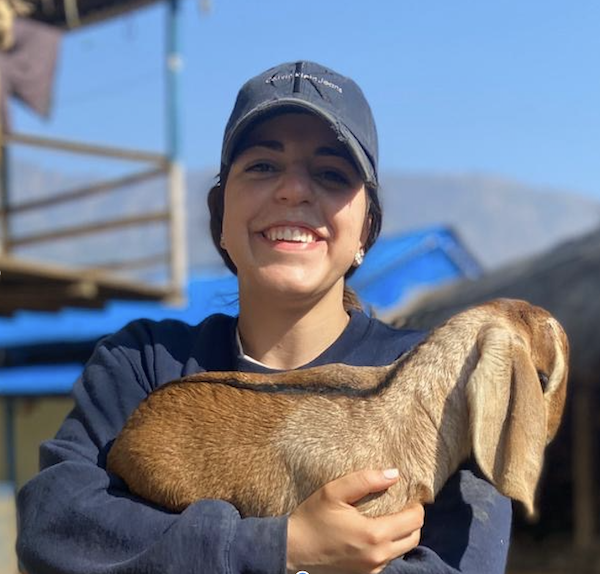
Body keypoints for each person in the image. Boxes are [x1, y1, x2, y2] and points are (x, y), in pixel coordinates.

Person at [16, 61, 512, 574]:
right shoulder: (142, 365)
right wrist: (283, 548)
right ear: (221, 217)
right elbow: (54, 528)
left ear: (366, 230)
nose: (293, 190)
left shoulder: (446, 386)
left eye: (330, 173)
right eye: (262, 166)